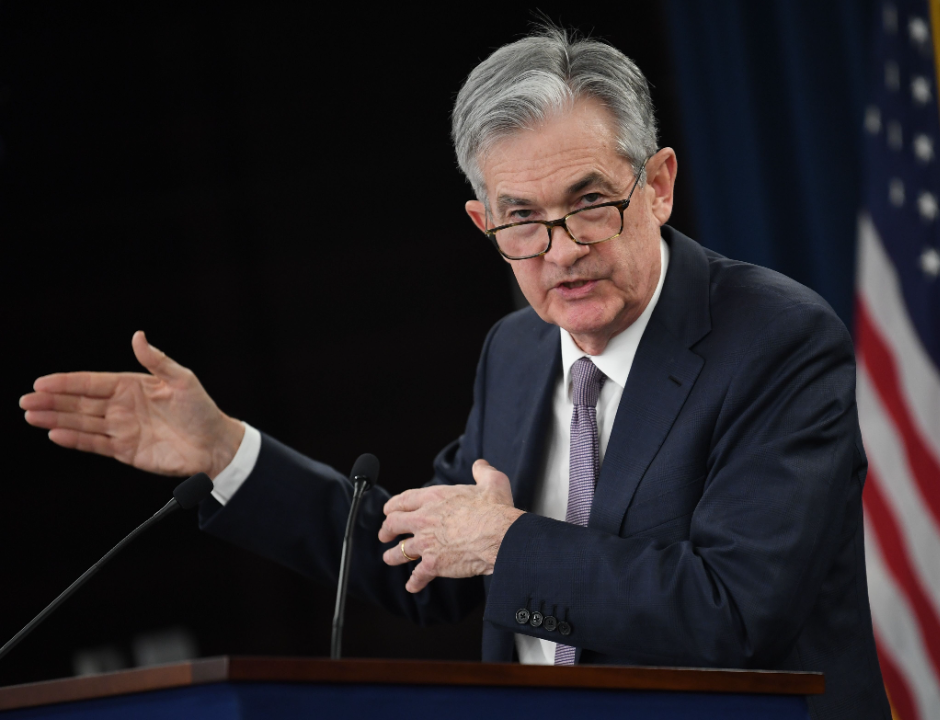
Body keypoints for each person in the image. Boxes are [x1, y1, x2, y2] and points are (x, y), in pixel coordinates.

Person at [18, 25, 890, 719]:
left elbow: (736, 612)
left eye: (590, 203)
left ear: (657, 185)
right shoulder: (515, 353)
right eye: (522, 221)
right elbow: (421, 560)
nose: (561, 251)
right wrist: (226, 454)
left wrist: (506, 543)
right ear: (483, 221)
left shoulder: (775, 341)